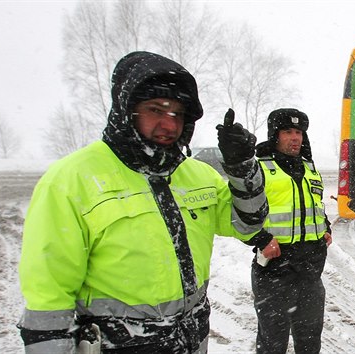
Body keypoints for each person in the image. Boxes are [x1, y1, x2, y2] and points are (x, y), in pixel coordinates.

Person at [17, 51, 268, 354]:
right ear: (127, 110)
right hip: (118, 344)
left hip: (192, 340)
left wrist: (243, 168)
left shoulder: (198, 175)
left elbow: (247, 224)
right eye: (155, 109)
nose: (168, 123)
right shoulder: (71, 180)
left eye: (177, 113)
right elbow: (49, 293)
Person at [245, 108, 332, 354]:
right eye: (287, 132)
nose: (295, 138)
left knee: (310, 338)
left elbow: (315, 204)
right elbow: (240, 215)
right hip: (274, 271)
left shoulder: (310, 167)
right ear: (275, 135)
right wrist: (261, 239)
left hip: (310, 270)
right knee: (273, 340)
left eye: (299, 132)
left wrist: (324, 226)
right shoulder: (259, 168)